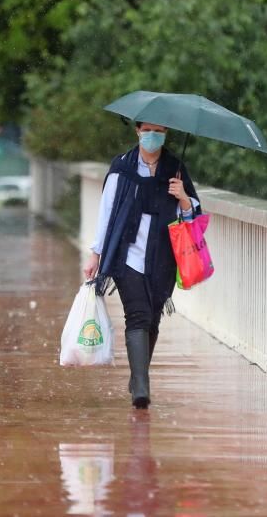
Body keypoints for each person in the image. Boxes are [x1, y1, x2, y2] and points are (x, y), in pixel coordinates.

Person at [82, 121, 201, 408]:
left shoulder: (175, 168)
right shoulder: (122, 167)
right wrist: (95, 254)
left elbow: (194, 217)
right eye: (147, 130)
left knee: (152, 318)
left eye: (159, 131)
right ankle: (141, 388)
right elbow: (107, 212)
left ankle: (138, 375)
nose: (152, 136)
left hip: (164, 258)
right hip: (127, 255)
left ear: (166, 134)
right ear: (137, 131)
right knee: (137, 315)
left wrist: (183, 197)